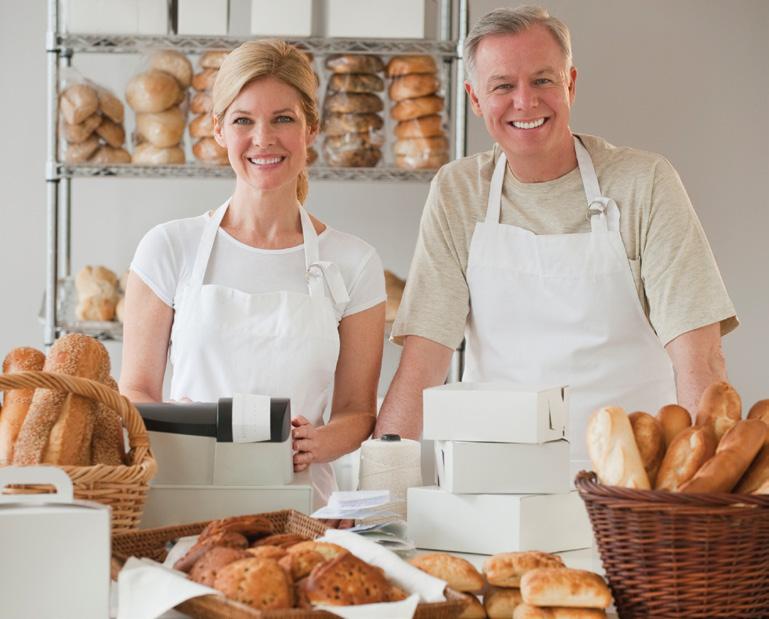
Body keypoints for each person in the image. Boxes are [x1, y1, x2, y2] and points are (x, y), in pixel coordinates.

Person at [375, 6, 737, 474]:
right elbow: (422, 364)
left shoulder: (643, 182)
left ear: (570, 83)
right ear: (475, 99)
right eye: (503, 86)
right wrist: (378, 489)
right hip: (495, 475)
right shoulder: (458, 191)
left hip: (629, 483)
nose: (524, 102)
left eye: (543, 80)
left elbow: (699, 359)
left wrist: (694, 492)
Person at [120, 40, 386, 508]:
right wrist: (170, 422)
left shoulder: (354, 261)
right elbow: (135, 390)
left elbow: (357, 410)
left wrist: (319, 442)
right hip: (184, 500)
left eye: (283, 118)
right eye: (244, 120)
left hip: (302, 510)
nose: (263, 139)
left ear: (311, 129)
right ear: (219, 129)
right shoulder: (168, 248)